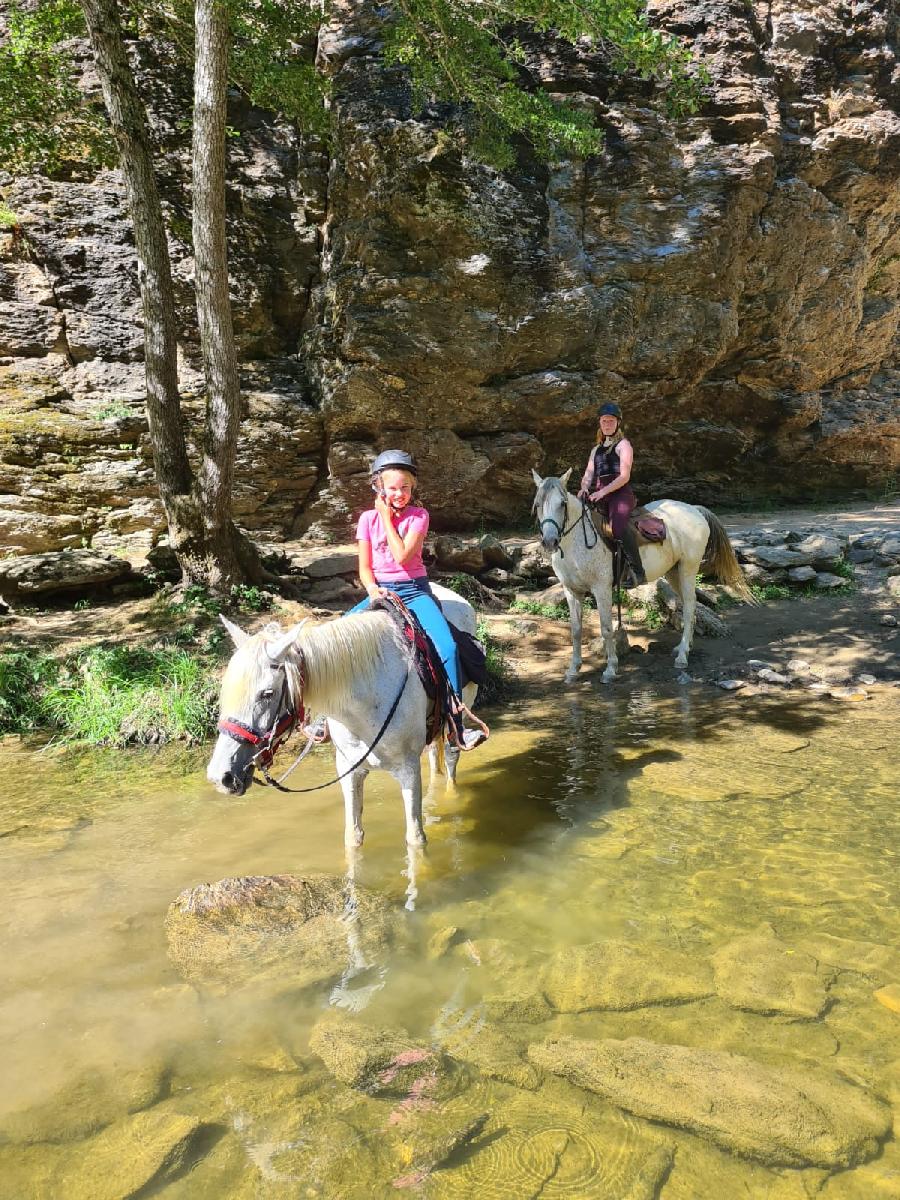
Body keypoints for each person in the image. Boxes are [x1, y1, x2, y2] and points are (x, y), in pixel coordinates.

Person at [346, 450, 487, 751]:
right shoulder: (366, 519)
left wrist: (385, 516)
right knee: (340, 635)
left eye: (405, 487)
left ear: (413, 488)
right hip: (381, 590)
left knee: (447, 647)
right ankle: (322, 716)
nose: (399, 494)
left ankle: (456, 724)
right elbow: (364, 568)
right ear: (379, 487)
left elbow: (402, 556)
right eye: (393, 488)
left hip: (413, 590)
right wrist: (371, 589)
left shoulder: (418, 517)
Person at [578, 402, 646, 586]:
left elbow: (624, 476)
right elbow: (589, 474)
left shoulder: (624, 445)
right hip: (600, 495)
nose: (607, 424)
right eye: (604, 421)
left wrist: (602, 492)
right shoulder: (596, 450)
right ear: (600, 423)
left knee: (617, 528)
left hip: (620, 494)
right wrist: (584, 488)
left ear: (618, 423)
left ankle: (638, 572)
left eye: (611, 421)